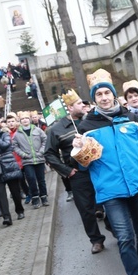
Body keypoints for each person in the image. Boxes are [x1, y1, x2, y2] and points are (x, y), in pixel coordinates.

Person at [73, 69, 138, 275]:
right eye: (98, 94)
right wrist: (78, 150)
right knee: (124, 237)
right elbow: (82, 165)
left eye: (106, 93)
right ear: (94, 99)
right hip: (110, 191)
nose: (103, 97)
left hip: (137, 185)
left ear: (113, 95)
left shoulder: (132, 119)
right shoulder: (86, 126)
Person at [44, 89, 106, 254]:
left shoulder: (92, 120)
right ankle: (96, 239)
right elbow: (49, 154)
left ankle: (115, 228)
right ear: (69, 108)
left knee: (109, 200)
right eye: (79, 103)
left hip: (99, 169)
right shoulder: (56, 129)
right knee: (86, 209)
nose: (83, 105)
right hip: (78, 174)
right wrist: (67, 171)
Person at [0, 115, 24, 226]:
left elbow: (5, 146)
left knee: (15, 193)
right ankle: (7, 218)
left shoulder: (4, 135)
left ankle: (20, 210)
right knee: (1, 195)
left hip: (9, 167)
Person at [12, 111, 48, 208]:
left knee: (41, 180)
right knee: (31, 179)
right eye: (22, 119)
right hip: (27, 161)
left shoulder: (37, 130)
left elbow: (45, 140)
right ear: (20, 121)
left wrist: (41, 151)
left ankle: (44, 197)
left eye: (26, 118)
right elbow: (14, 146)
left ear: (30, 119)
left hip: (39, 159)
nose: (25, 120)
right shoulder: (17, 134)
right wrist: (23, 154)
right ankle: (35, 198)